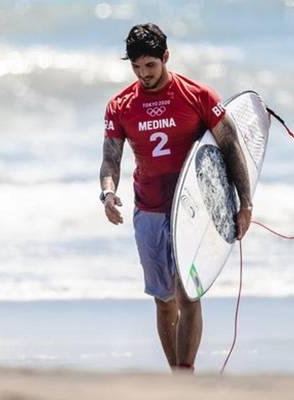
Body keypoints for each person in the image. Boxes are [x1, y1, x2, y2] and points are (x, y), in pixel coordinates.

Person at [99, 23, 253, 373]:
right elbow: (111, 158)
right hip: (149, 209)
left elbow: (230, 147)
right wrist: (108, 193)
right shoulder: (120, 106)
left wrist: (244, 203)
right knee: (163, 300)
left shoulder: (198, 96)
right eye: (136, 67)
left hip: (192, 210)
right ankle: (176, 377)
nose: (144, 74)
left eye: (150, 66)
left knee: (188, 295)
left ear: (166, 57)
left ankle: (186, 373)